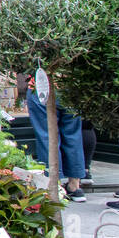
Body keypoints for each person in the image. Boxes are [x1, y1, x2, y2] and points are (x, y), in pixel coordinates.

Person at [26, 72, 87, 203]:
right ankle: (74, 186)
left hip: (41, 86)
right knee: (73, 136)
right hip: (70, 84)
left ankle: (54, 187)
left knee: (46, 136)